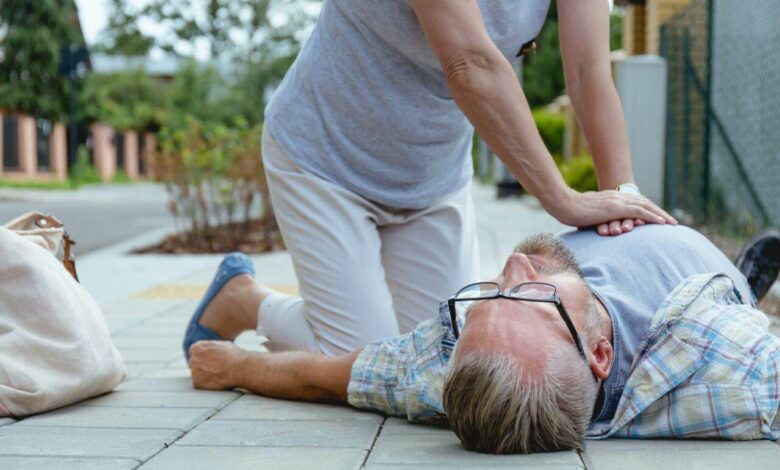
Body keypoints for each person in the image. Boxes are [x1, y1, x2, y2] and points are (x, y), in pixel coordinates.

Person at [182, 0, 677, 358]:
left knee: (448, 352)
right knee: (358, 355)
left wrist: (622, 201)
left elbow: (590, 70)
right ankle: (242, 299)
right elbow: (469, 63)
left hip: (431, 178)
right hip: (324, 159)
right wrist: (562, 199)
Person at [186, 225, 780, 454]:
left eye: (489, 295)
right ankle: (745, 281)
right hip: (697, 271)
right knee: (736, 291)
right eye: (529, 297)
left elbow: (336, 376)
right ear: (599, 354)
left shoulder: (434, 372)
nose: (517, 266)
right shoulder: (726, 361)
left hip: (611, 222)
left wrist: (236, 367)